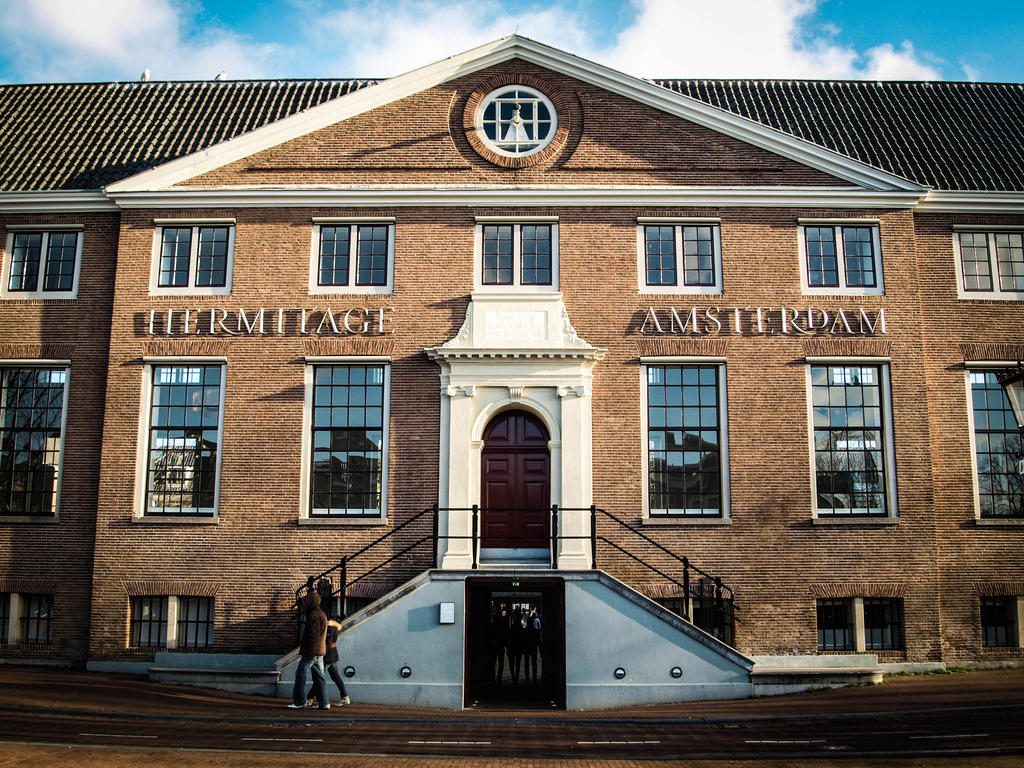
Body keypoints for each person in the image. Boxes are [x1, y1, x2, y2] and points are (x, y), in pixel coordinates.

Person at [289, 588, 329, 709]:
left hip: (311, 651)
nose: (305, 603)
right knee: (320, 677)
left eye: (307, 600)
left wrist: (311, 652)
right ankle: (324, 702)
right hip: (320, 651)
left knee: (301, 674)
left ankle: (300, 701)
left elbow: (313, 635)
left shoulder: (313, 615)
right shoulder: (321, 613)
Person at [308, 614, 350, 706]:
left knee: (319, 678)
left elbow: (327, 644)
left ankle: (309, 698)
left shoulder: (330, 628)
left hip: (327, 657)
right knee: (336, 677)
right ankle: (344, 697)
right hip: (333, 656)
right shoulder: (335, 629)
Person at [488, 604, 509, 685]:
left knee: (493, 664)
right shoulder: (501, 627)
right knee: (500, 663)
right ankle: (498, 678)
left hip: (494, 647)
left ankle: (493, 678)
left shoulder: (492, 627)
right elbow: (504, 637)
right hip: (499, 647)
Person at [522, 606, 540, 684]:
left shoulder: (525, 631)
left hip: (526, 648)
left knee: (526, 663)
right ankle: (534, 677)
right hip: (533, 648)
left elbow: (522, 640)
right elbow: (538, 640)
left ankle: (527, 677)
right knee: (534, 663)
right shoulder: (535, 631)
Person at [508, 607, 525, 684]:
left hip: (513, 646)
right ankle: (516, 677)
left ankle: (513, 676)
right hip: (519, 646)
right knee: (517, 662)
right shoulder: (520, 626)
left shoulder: (513, 626)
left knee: (512, 662)